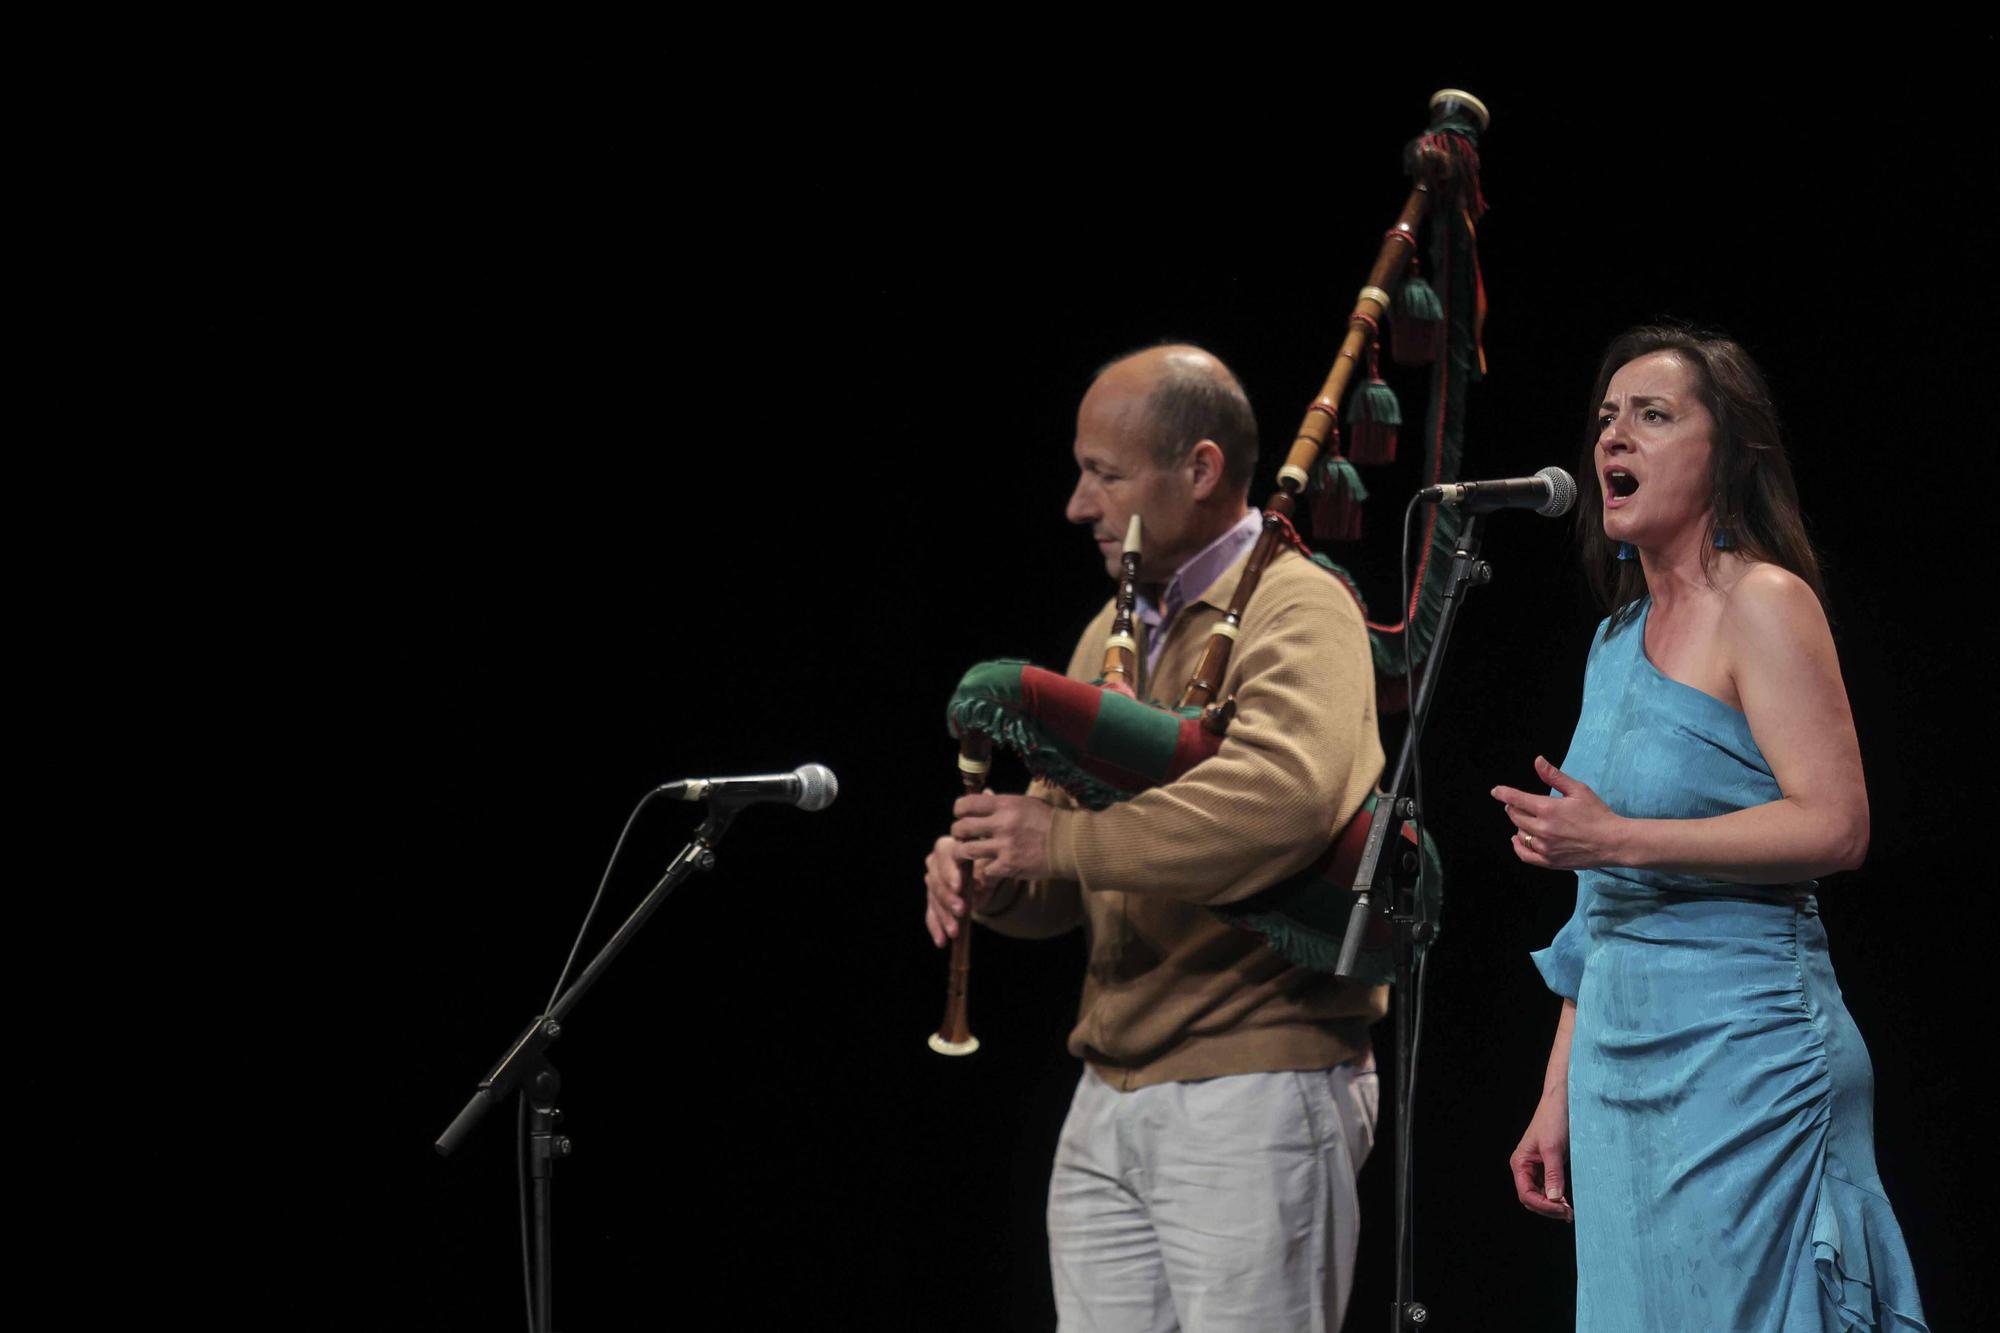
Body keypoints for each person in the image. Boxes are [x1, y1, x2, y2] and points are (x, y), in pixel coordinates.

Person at [923, 344, 1387, 1333]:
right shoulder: (1112, 629)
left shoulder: (1296, 606)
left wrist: (1058, 845)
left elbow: (1278, 802)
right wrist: (997, 872)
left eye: (1105, 475)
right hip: (1110, 1090)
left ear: (1200, 470)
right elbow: (1070, 863)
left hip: (1254, 1084)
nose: (1077, 506)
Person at [1496, 326, 1928, 1331]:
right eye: (1606, 418)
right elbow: (1593, 904)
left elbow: (1835, 824)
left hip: (1746, 1061)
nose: (1615, 437)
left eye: (1652, 415)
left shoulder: (1763, 602)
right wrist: (1556, 1089)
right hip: (1617, 1072)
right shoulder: (1611, 643)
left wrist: (1622, 840)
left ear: (1727, 451)